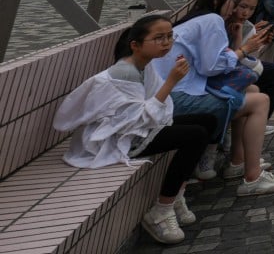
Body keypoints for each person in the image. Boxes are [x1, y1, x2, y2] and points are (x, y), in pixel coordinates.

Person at [53, 15, 218, 244]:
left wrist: (169, 83)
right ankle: (161, 209)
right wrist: (172, 82)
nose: (167, 43)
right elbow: (136, 119)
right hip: (118, 139)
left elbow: (153, 110)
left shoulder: (144, 66)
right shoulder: (125, 73)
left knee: (207, 121)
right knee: (195, 135)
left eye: (170, 36)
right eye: (158, 38)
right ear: (135, 45)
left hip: (138, 129)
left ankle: (178, 193)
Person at [152, 0, 274, 196]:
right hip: (173, 97)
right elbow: (211, 66)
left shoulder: (198, 19)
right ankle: (252, 177)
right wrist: (244, 49)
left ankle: (237, 161)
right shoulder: (212, 19)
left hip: (170, 92)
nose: (237, 9)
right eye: (235, 2)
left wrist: (238, 41)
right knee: (260, 101)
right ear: (218, 0)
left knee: (251, 91)